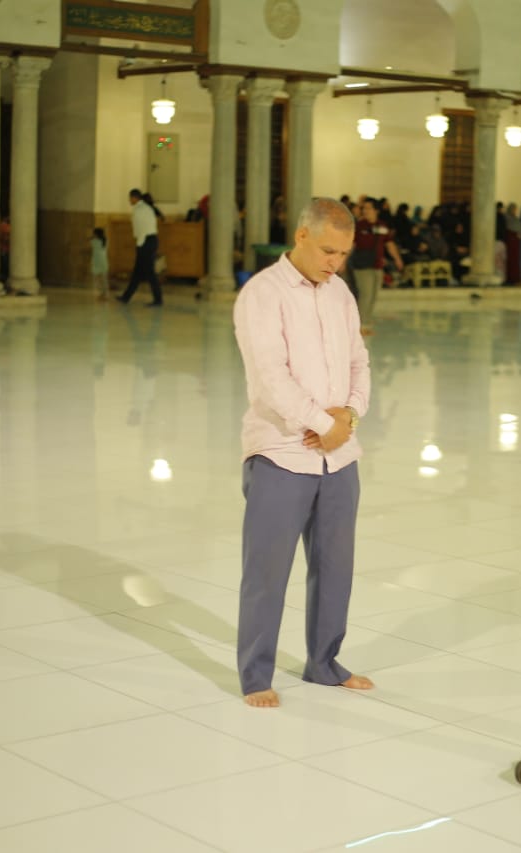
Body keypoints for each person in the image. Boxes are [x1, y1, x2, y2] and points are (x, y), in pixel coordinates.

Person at [232, 197, 373, 709]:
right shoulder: (263, 294)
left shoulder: (340, 294)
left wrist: (349, 416)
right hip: (281, 453)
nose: (335, 263)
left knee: (335, 567)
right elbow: (271, 378)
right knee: (267, 572)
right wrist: (323, 424)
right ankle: (256, 675)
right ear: (301, 236)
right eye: (328, 251)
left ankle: (324, 663)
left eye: (344, 254)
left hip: (340, 456)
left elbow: (360, 363)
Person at [348, 197, 402, 335]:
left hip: (377, 266)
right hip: (362, 266)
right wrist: (342, 261)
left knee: (373, 295)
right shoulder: (359, 226)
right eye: (363, 208)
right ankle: (359, 326)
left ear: (376, 210)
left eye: (368, 208)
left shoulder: (382, 226)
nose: (365, 211)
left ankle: (366, 323)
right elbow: (351, 245)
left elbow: (389, 244)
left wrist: (397, 259)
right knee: (365, 295)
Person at [118, 188, 162, 306]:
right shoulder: (146, 208)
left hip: (145, 242)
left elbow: (141, 229)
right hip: (149, 241)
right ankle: (126, 297)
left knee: (150, 272)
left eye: (130, 198)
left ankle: (158, 299)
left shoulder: (140, 209)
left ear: (134, 198)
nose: (129, 200)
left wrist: (139, 244)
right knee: (137, 272)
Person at [90, 227, 109, 299]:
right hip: (104, 261)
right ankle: (104, 294)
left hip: (97, 261)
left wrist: (92, 238)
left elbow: (90, 243)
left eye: (94, 233)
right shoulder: (105, 241)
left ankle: (102, 293)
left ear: (96, 234)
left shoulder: (94, 241)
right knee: (104, 279)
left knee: (96, 279)